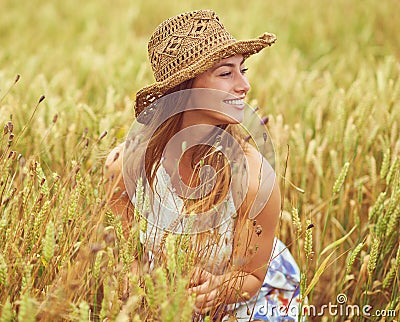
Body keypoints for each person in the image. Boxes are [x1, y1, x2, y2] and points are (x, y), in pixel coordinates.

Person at [105, 9, 301, 321]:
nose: (244, 86)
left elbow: (252, 276)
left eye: (243, 70)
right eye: (226, 74)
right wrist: (152, 288)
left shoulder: (254, 176)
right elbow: (122, 259)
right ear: (184, 89)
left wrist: (219, 288)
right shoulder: (125, 167)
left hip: (247, 302)